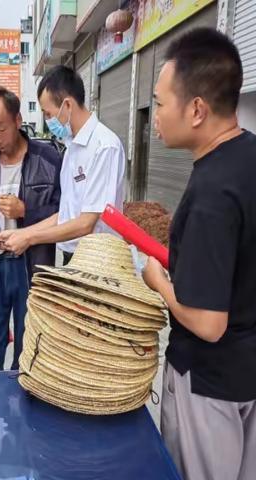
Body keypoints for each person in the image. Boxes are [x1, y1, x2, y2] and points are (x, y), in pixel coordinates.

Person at [142, 28, 256, 480]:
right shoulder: (249, 156)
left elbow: (210, 324)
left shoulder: (212, 191)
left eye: (160, 103)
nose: (154, 117)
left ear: (196, 110)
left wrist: (160, 285)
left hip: (209, 385)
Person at [0, 86, 61, 371]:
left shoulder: (49, 160)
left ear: (18, 121)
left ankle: (21, 411)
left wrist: (26, 211)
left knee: (29, 352)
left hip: (30, 267)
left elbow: (65, 214)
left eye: (2, 129)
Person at [0, 66, 125, 264]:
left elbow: (85, 224)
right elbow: (65, 215)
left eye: (48, 114)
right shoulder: (71, 148)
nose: (48, 121)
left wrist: (29, 238)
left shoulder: (104, 147)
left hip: (97, 263)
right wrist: (19, 233)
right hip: (73, 258)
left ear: (67, 105)